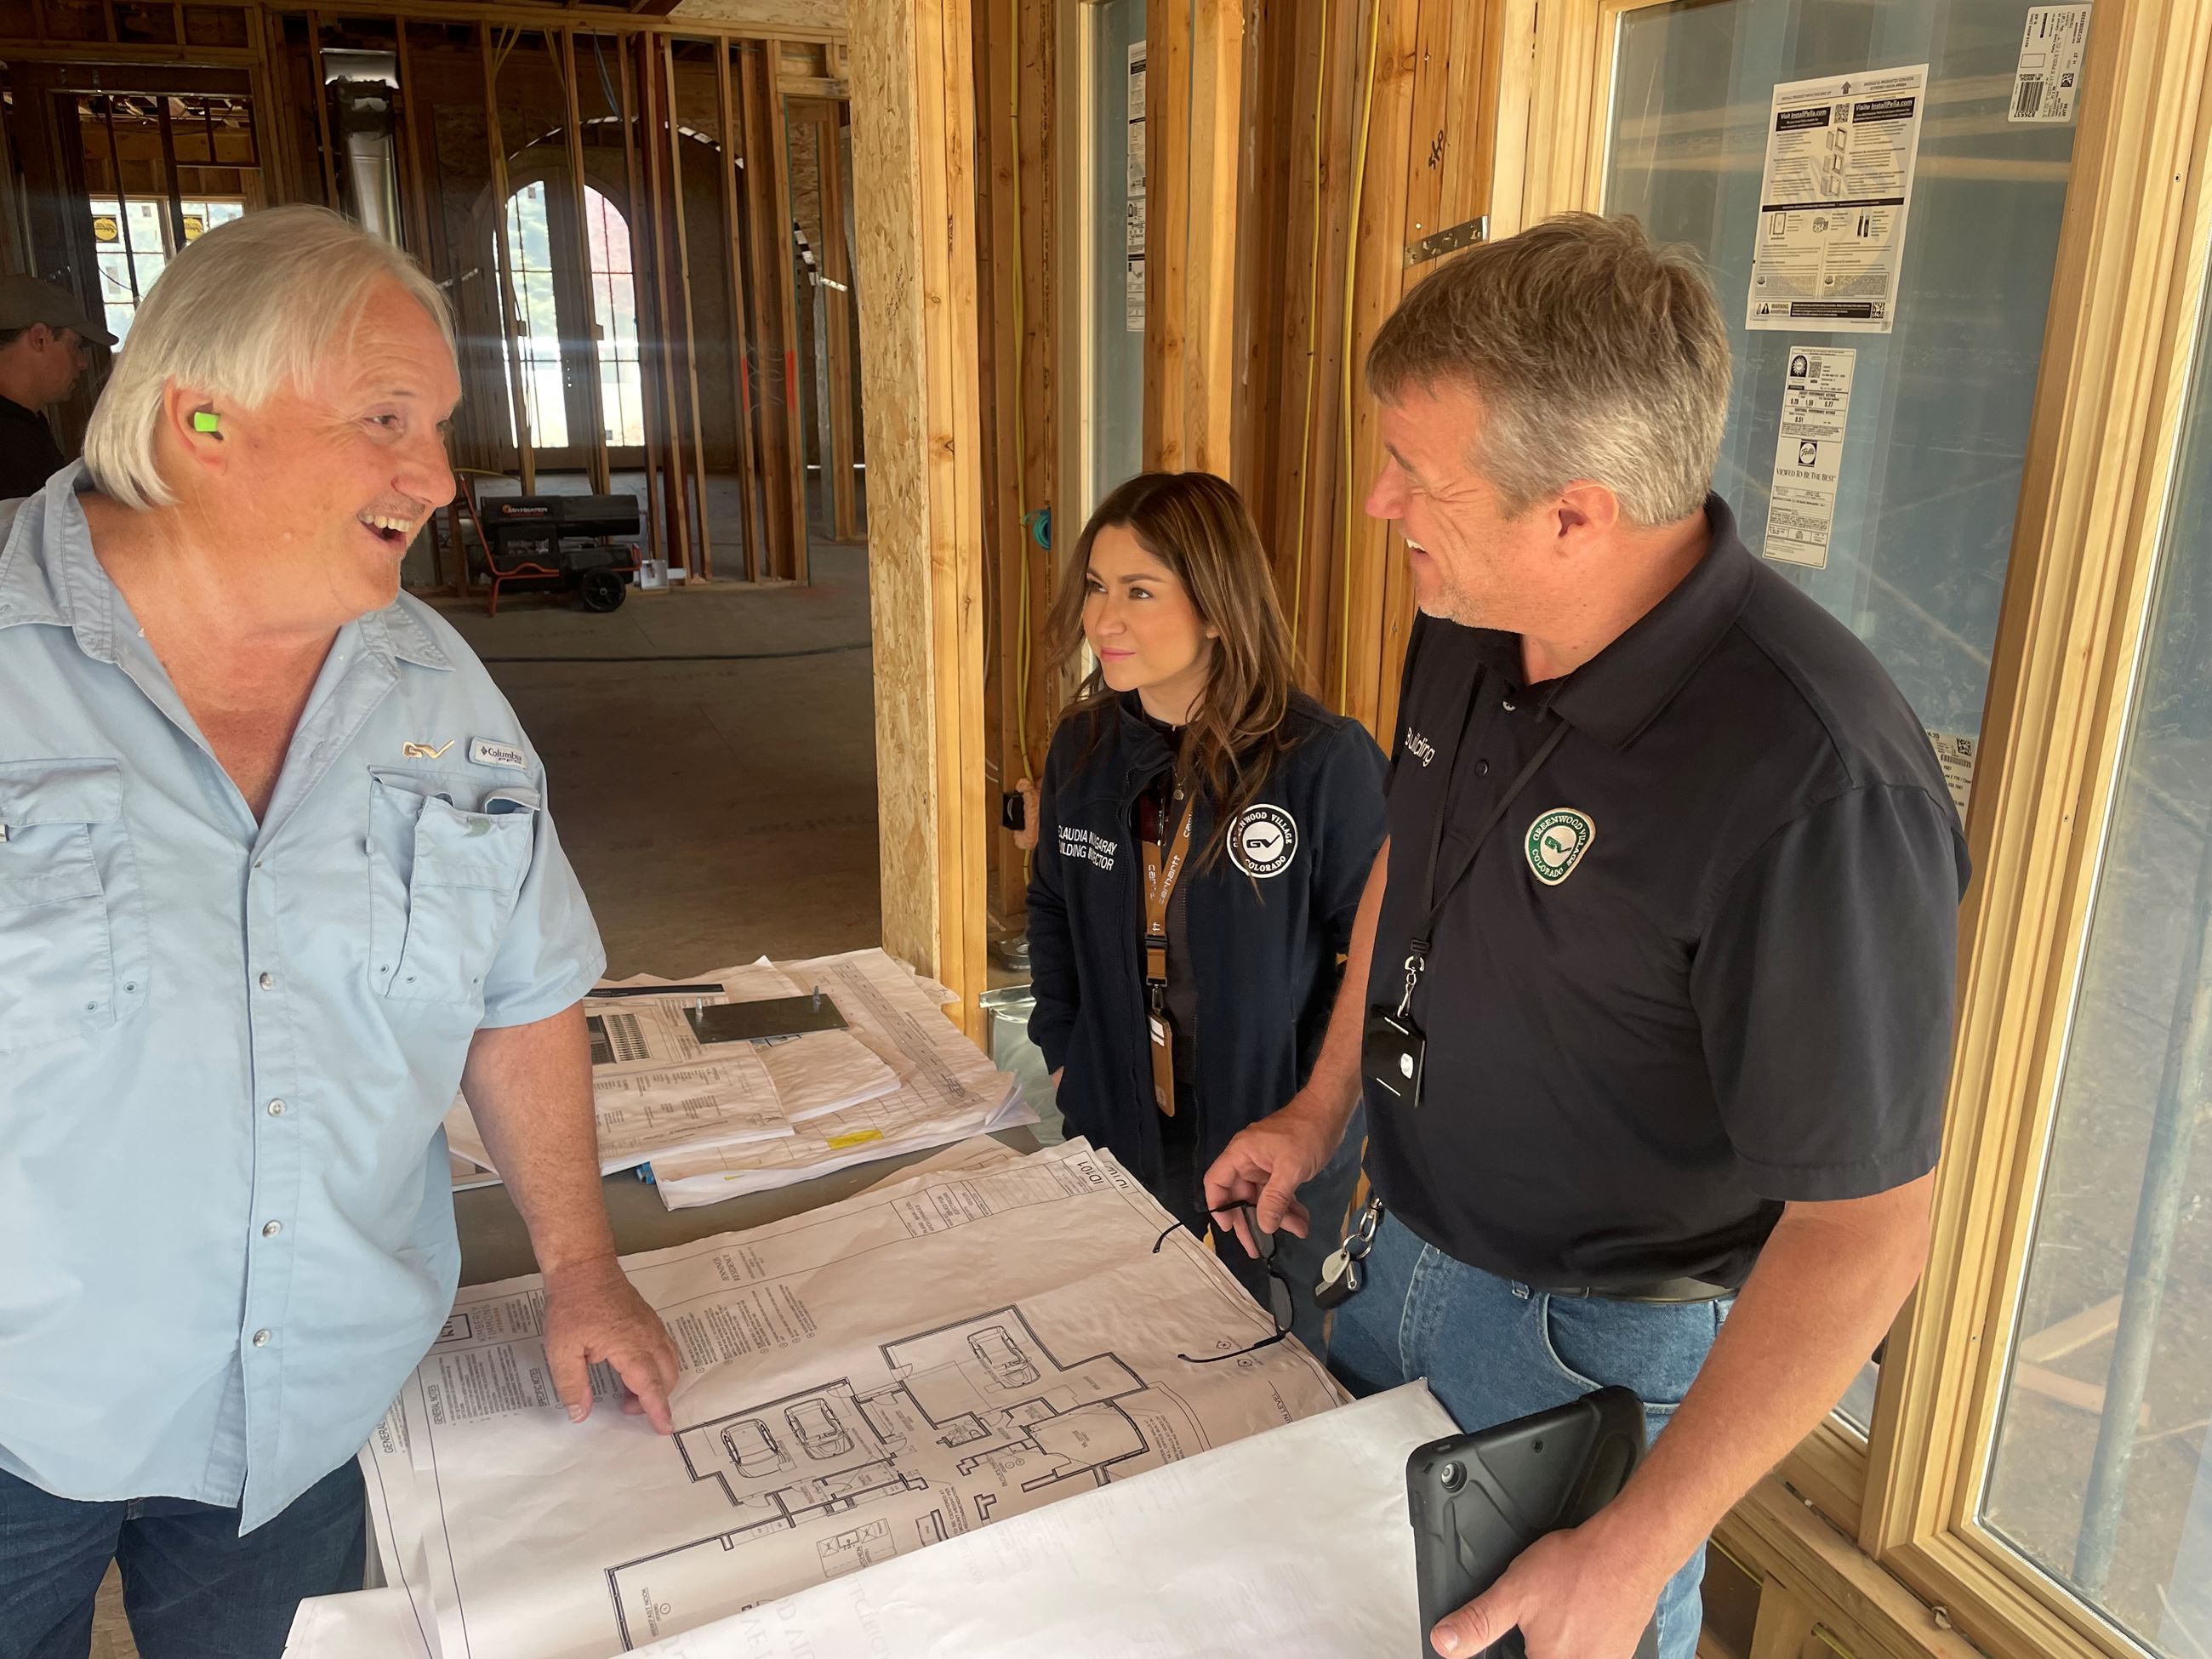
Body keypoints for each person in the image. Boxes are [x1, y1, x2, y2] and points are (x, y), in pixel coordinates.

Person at [1204, 214, 1969, 1659]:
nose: (1381, 504)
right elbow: (1407, 876)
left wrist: (1635, 1546)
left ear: (1578, 511)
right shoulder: (1474, 615)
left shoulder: (1812, 783)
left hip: (1591, 1340)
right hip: (1398, 1238)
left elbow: (1866, 1231)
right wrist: (1321, 1112)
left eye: (1420, 480)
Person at [0, 207, 678, 1659]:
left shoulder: (432, 689)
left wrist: (579, 1265)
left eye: (434, 425)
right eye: (384, 417)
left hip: (302, 1422)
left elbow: (522, 985)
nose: (433, 477)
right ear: (202, 424)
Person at [1024, 470, 1387, 1354]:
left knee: (1260, 1356)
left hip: (1266, 1144)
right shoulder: (1084, 746)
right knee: (1123, 1352)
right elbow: (1049, 906)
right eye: (1097, 589)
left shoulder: (1321, 763)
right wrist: (1064, 1049)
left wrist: (1316, 1110)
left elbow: (1379, 961)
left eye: (1139, 593)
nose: (1101, 619)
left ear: (1218, 608)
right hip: (1117, 1116)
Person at [0, 275, 111, 500]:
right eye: (75, 345)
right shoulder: (10, 441)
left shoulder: (27, 423)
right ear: (40, 338)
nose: (83, 363)